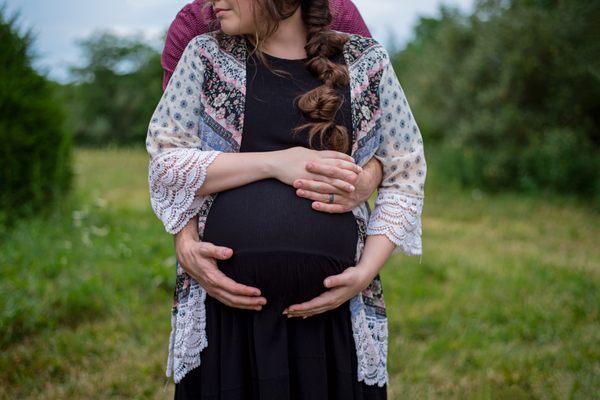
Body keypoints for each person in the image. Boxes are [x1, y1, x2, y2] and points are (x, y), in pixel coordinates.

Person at [146, 0, 427, 398]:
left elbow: (406, 169)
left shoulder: (366, 62)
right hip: (227, 322)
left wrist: (364, 273)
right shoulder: (205, 56)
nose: (213, 2)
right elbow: (166, 161)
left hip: (335, 321)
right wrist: (276, 163)